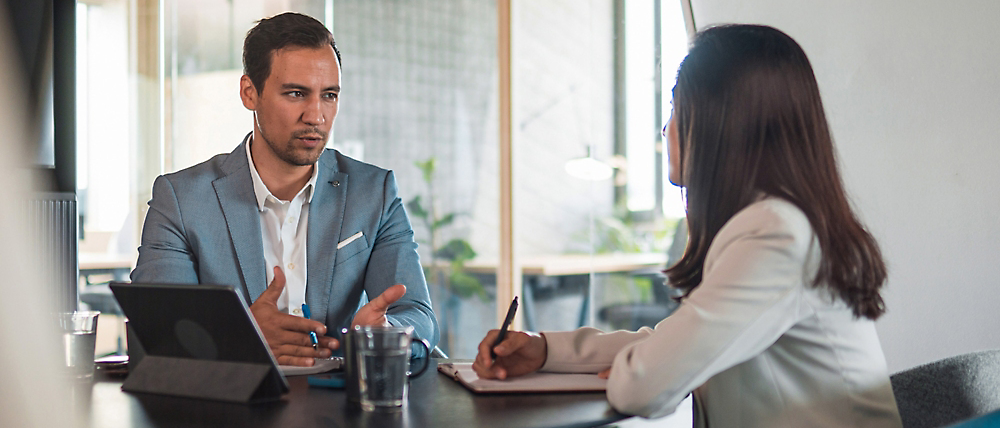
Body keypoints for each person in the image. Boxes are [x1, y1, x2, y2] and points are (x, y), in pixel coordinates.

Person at [473, 24, 902, 427]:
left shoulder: (775, 236)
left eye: (677, 107)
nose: (666, 128)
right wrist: (545, 350)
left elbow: (641, 387)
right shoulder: (781, 222)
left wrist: (639, 370)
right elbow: (670, 346)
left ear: (722, 123)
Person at [131, 12, 438, 367]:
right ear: (250, 93)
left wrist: (384, 334)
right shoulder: (182, 200)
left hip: (340, 407)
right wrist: (240, 334)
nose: (316, 115)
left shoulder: (374, 192)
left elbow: (417, 315)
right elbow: (156, 329)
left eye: (329, 96)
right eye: (296, 93)